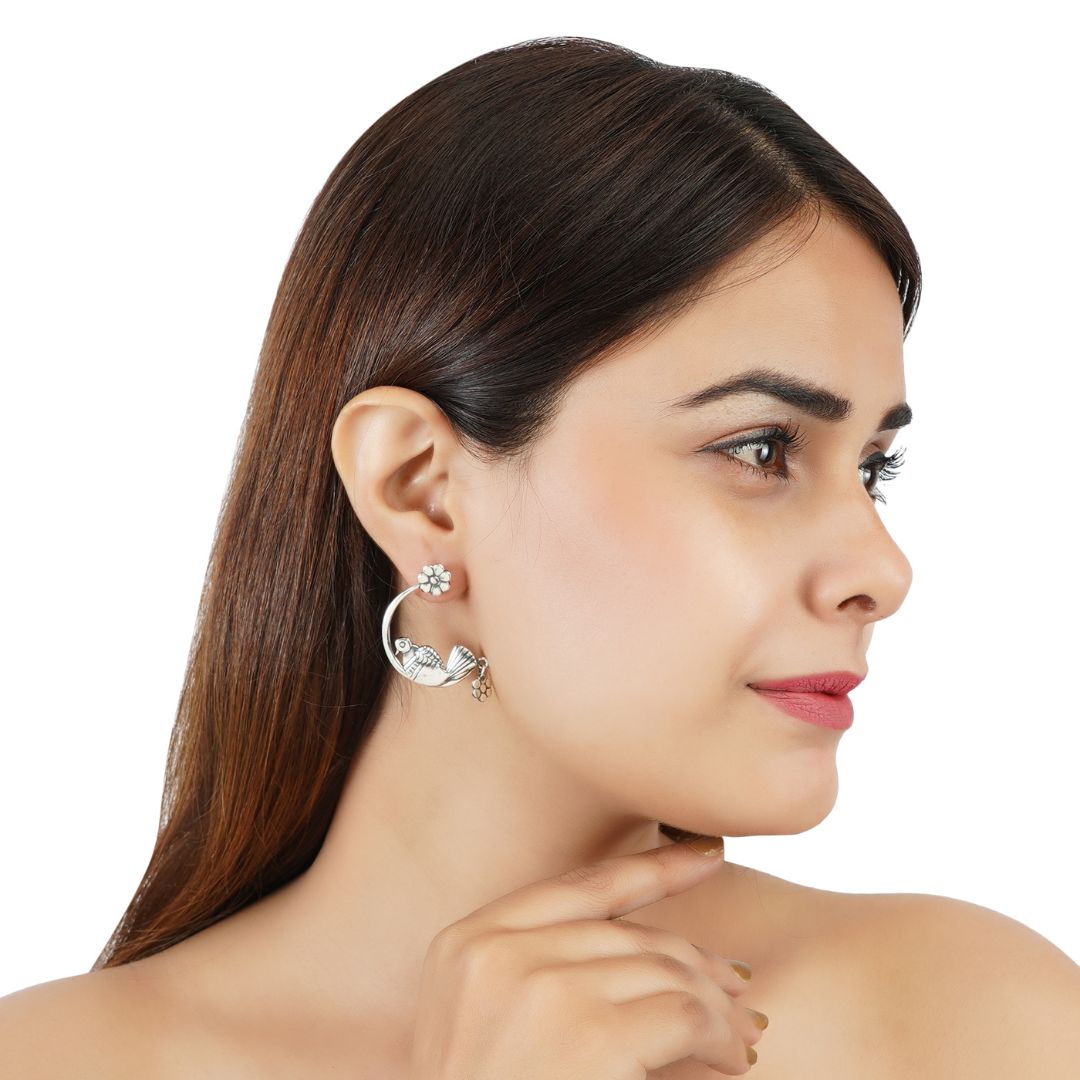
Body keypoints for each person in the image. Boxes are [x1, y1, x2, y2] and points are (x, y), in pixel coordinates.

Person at [3, 34, 1078, 1079]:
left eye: (874, 469)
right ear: (421, 489)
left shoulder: (978, 1023)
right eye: (761, 449)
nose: (882, 573)